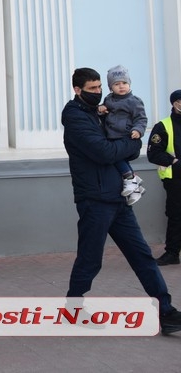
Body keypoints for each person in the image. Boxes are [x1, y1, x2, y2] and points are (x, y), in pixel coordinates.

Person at [62, 67, 181, 335]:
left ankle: (166, 311)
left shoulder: (98, 113)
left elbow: (122, 134)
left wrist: (127, 142)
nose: (98, 93)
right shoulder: (75, 118)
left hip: (117, 197)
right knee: (91, 258)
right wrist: (134, 144)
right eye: (92, 89)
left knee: (142, 256)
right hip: (94, 199)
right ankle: (73, 307)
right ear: (77, 90)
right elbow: (104, 152)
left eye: (99, 87)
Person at [99, 65, 147, 205]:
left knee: (116, 158)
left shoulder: (134, 101)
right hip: (111, 137)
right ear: (110, 87)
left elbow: (141, 118)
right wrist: (101, 109)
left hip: (126, 136)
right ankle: (135, 187)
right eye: (116, 84)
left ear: (129, 84)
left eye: (124, 83)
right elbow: (103, 110)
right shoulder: (109, 99)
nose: (121, 86)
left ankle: (130, 179)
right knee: (117, 159)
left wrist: (138, 130)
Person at [146, 89, 181, 266]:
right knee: (176, 215)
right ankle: (172, 253)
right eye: (179, 101)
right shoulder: (163, 126)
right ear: (173, 104)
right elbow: (153, 153)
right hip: (175, 179)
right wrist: (174, 162)